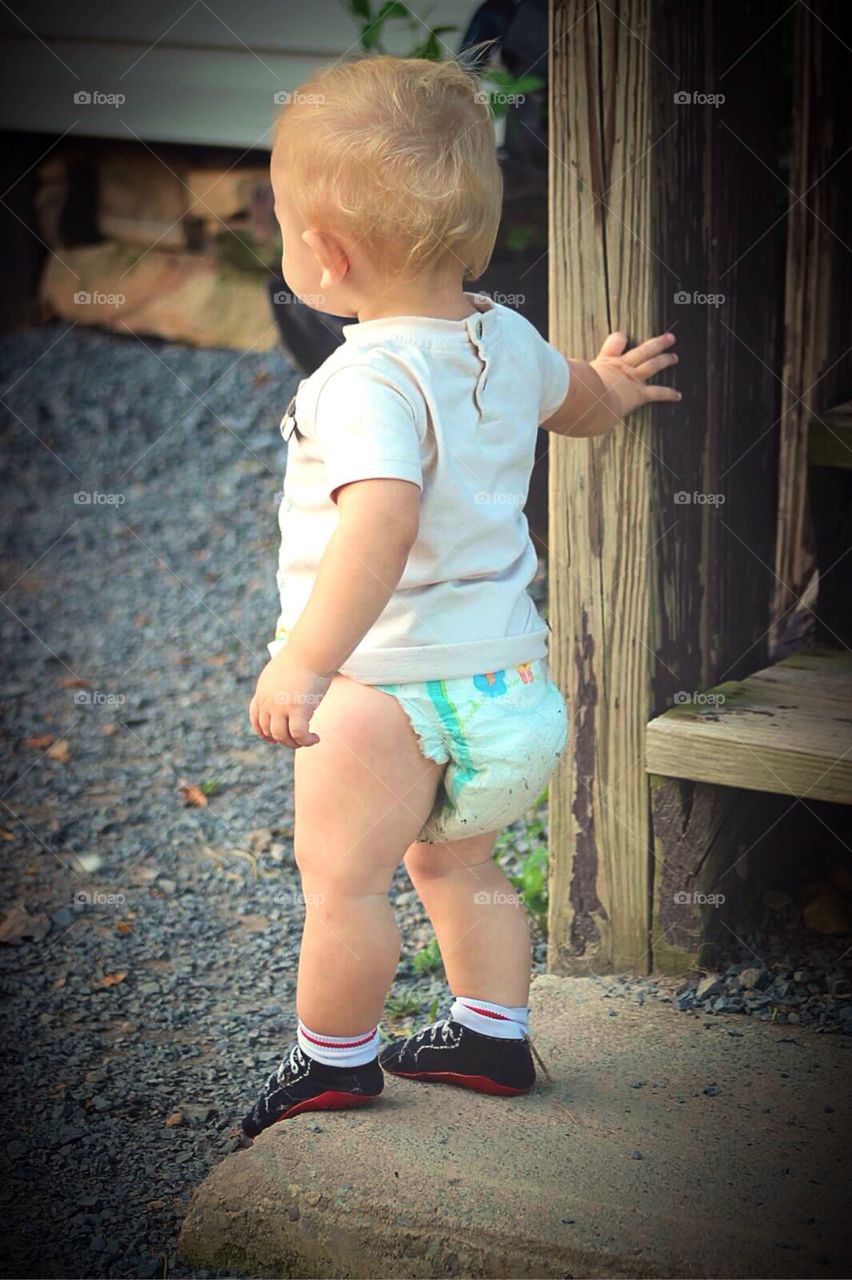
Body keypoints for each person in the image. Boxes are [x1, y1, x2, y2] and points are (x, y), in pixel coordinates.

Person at [242, 53, 680, 1139]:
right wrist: (616, 384)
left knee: (342, 882)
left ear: (324, 255)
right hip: (511, 689)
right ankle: (490, 1032)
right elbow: (576, 401)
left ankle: (333, 1060)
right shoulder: (507, 339)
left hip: (383, 691)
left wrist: (303, 660)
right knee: (460, 861)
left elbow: (379, 522)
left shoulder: (361, 380)